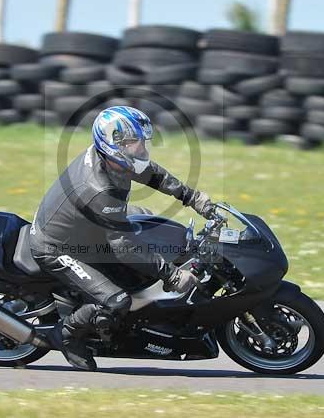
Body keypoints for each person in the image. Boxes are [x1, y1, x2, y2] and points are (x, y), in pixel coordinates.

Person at [28, 105, 217, 371]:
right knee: (118, 301)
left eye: (141, 142)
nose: (141, 148)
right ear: (115, 145)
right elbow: (122, 246)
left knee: (155, 224)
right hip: (57, 247)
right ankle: (68, 335)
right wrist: (172, 276)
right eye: (134, 143)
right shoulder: (99, 187)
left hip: (87, 227)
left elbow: (152, 174)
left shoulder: (112, 159)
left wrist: (191, 197)